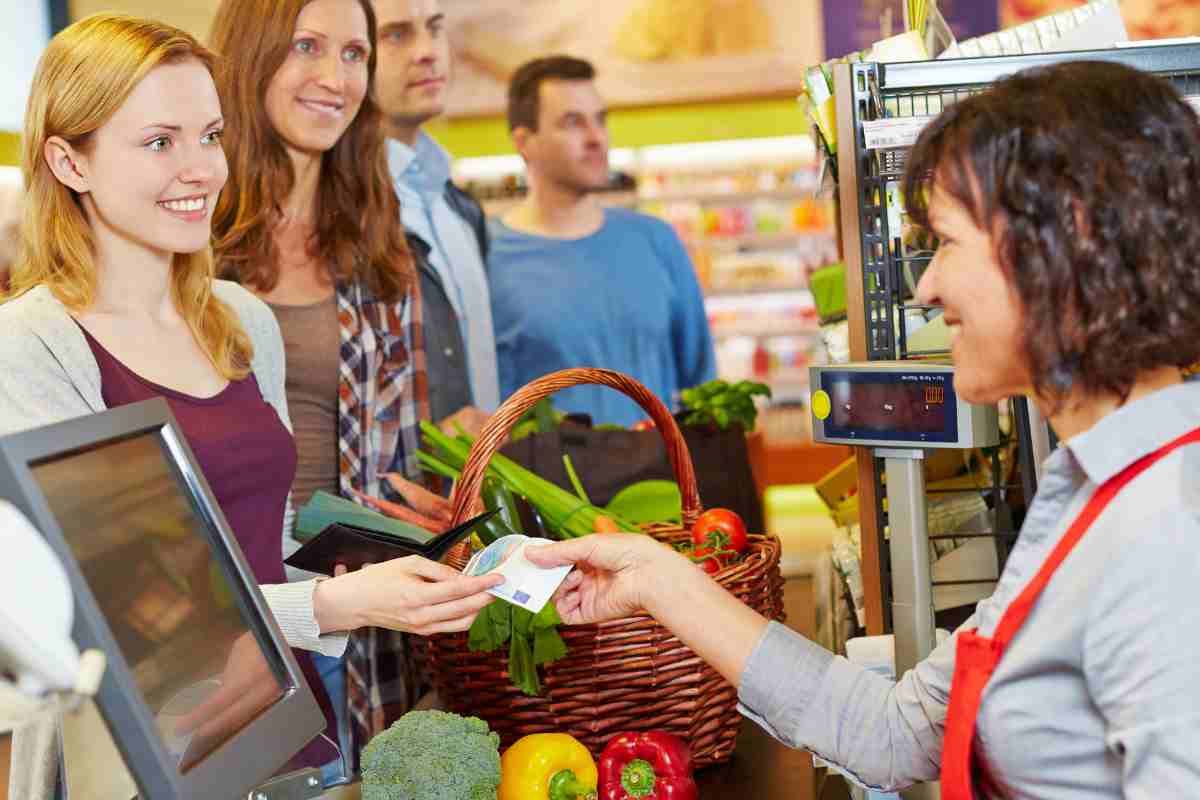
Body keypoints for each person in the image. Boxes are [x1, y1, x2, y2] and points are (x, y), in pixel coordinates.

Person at [528, 61, 1200, 797]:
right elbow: (896, 732)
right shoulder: (1090, 493)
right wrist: (656, 579)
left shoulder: (1168, 535)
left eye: (946, 241)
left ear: (1065, 243)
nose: (925, 286)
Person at [0, 12, 501, 791]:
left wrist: (389, 577)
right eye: (160, 142)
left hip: (294, 745)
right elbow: (102, 615)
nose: (202, 168)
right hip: (144, 769)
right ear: (69, 161)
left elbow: (253, 557)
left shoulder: (241, 325)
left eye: (211, 135)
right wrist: (337, 605)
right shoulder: (29, 349)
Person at [207, 0, 478, 776]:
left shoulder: (374, 229)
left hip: (366, 616)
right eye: (306, 47)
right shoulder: (192, 238)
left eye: (355, 54)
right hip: (241, 616)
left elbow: (400, 444)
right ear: (253, 54)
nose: (336, 77)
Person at [489, 55, 717, 427]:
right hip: (550, 483)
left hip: (663, 480)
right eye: (572, 122)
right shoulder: (489, 258)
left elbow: (702, 383)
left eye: (600, 119)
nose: (596, 138)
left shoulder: (656, 241)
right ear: (524, 142)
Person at [372, 0, 497, 435]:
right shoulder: (344, 214)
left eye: (435, 28)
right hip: (400, 498)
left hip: (480, 492)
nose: (428, 51)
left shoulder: (460, 209)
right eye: (396, 34)